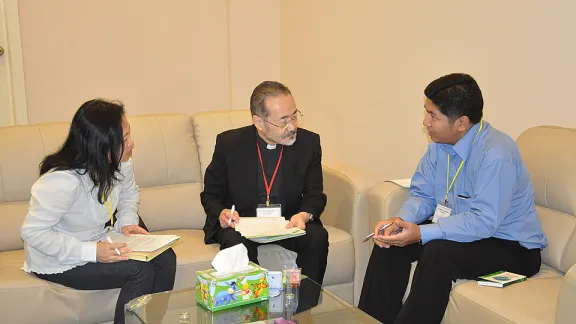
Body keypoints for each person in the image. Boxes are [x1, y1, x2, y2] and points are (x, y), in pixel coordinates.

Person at [358, 73, 547, 324]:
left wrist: (422, 233)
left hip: (511, 247)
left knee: (438, 253)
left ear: (461, 122)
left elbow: (483, 223)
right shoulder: (439, 143)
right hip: (465, 232)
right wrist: (400, 220)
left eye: (433, 116)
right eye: (426, 112)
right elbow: (423, 194)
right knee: (392, 241)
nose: (425, 122)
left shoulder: (496, 155)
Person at [20, 99, 176, 324]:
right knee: (141, 271)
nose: (132, 144)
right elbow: (33, 234)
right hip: (60, 258)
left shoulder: (120, 161)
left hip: (100, 237)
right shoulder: (62, 181)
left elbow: (129, 193)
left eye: (129, 134)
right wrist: (92, 252)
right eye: (124, 139)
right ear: (101, 146)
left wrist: (127, 222)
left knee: (166, 258)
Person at [200, 81, 329, 288]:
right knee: (235, 243)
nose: (292, 126)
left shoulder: (308, 143)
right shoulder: (229, 144)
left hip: (288, 222)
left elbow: (315, 194)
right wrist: (222, 213)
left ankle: (305, 307)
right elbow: (210, 194)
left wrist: (304, 215)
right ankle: (252, 310)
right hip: (243, 223)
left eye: (294, 116)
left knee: (317, 237)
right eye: (283, 121)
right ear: (259, 122)